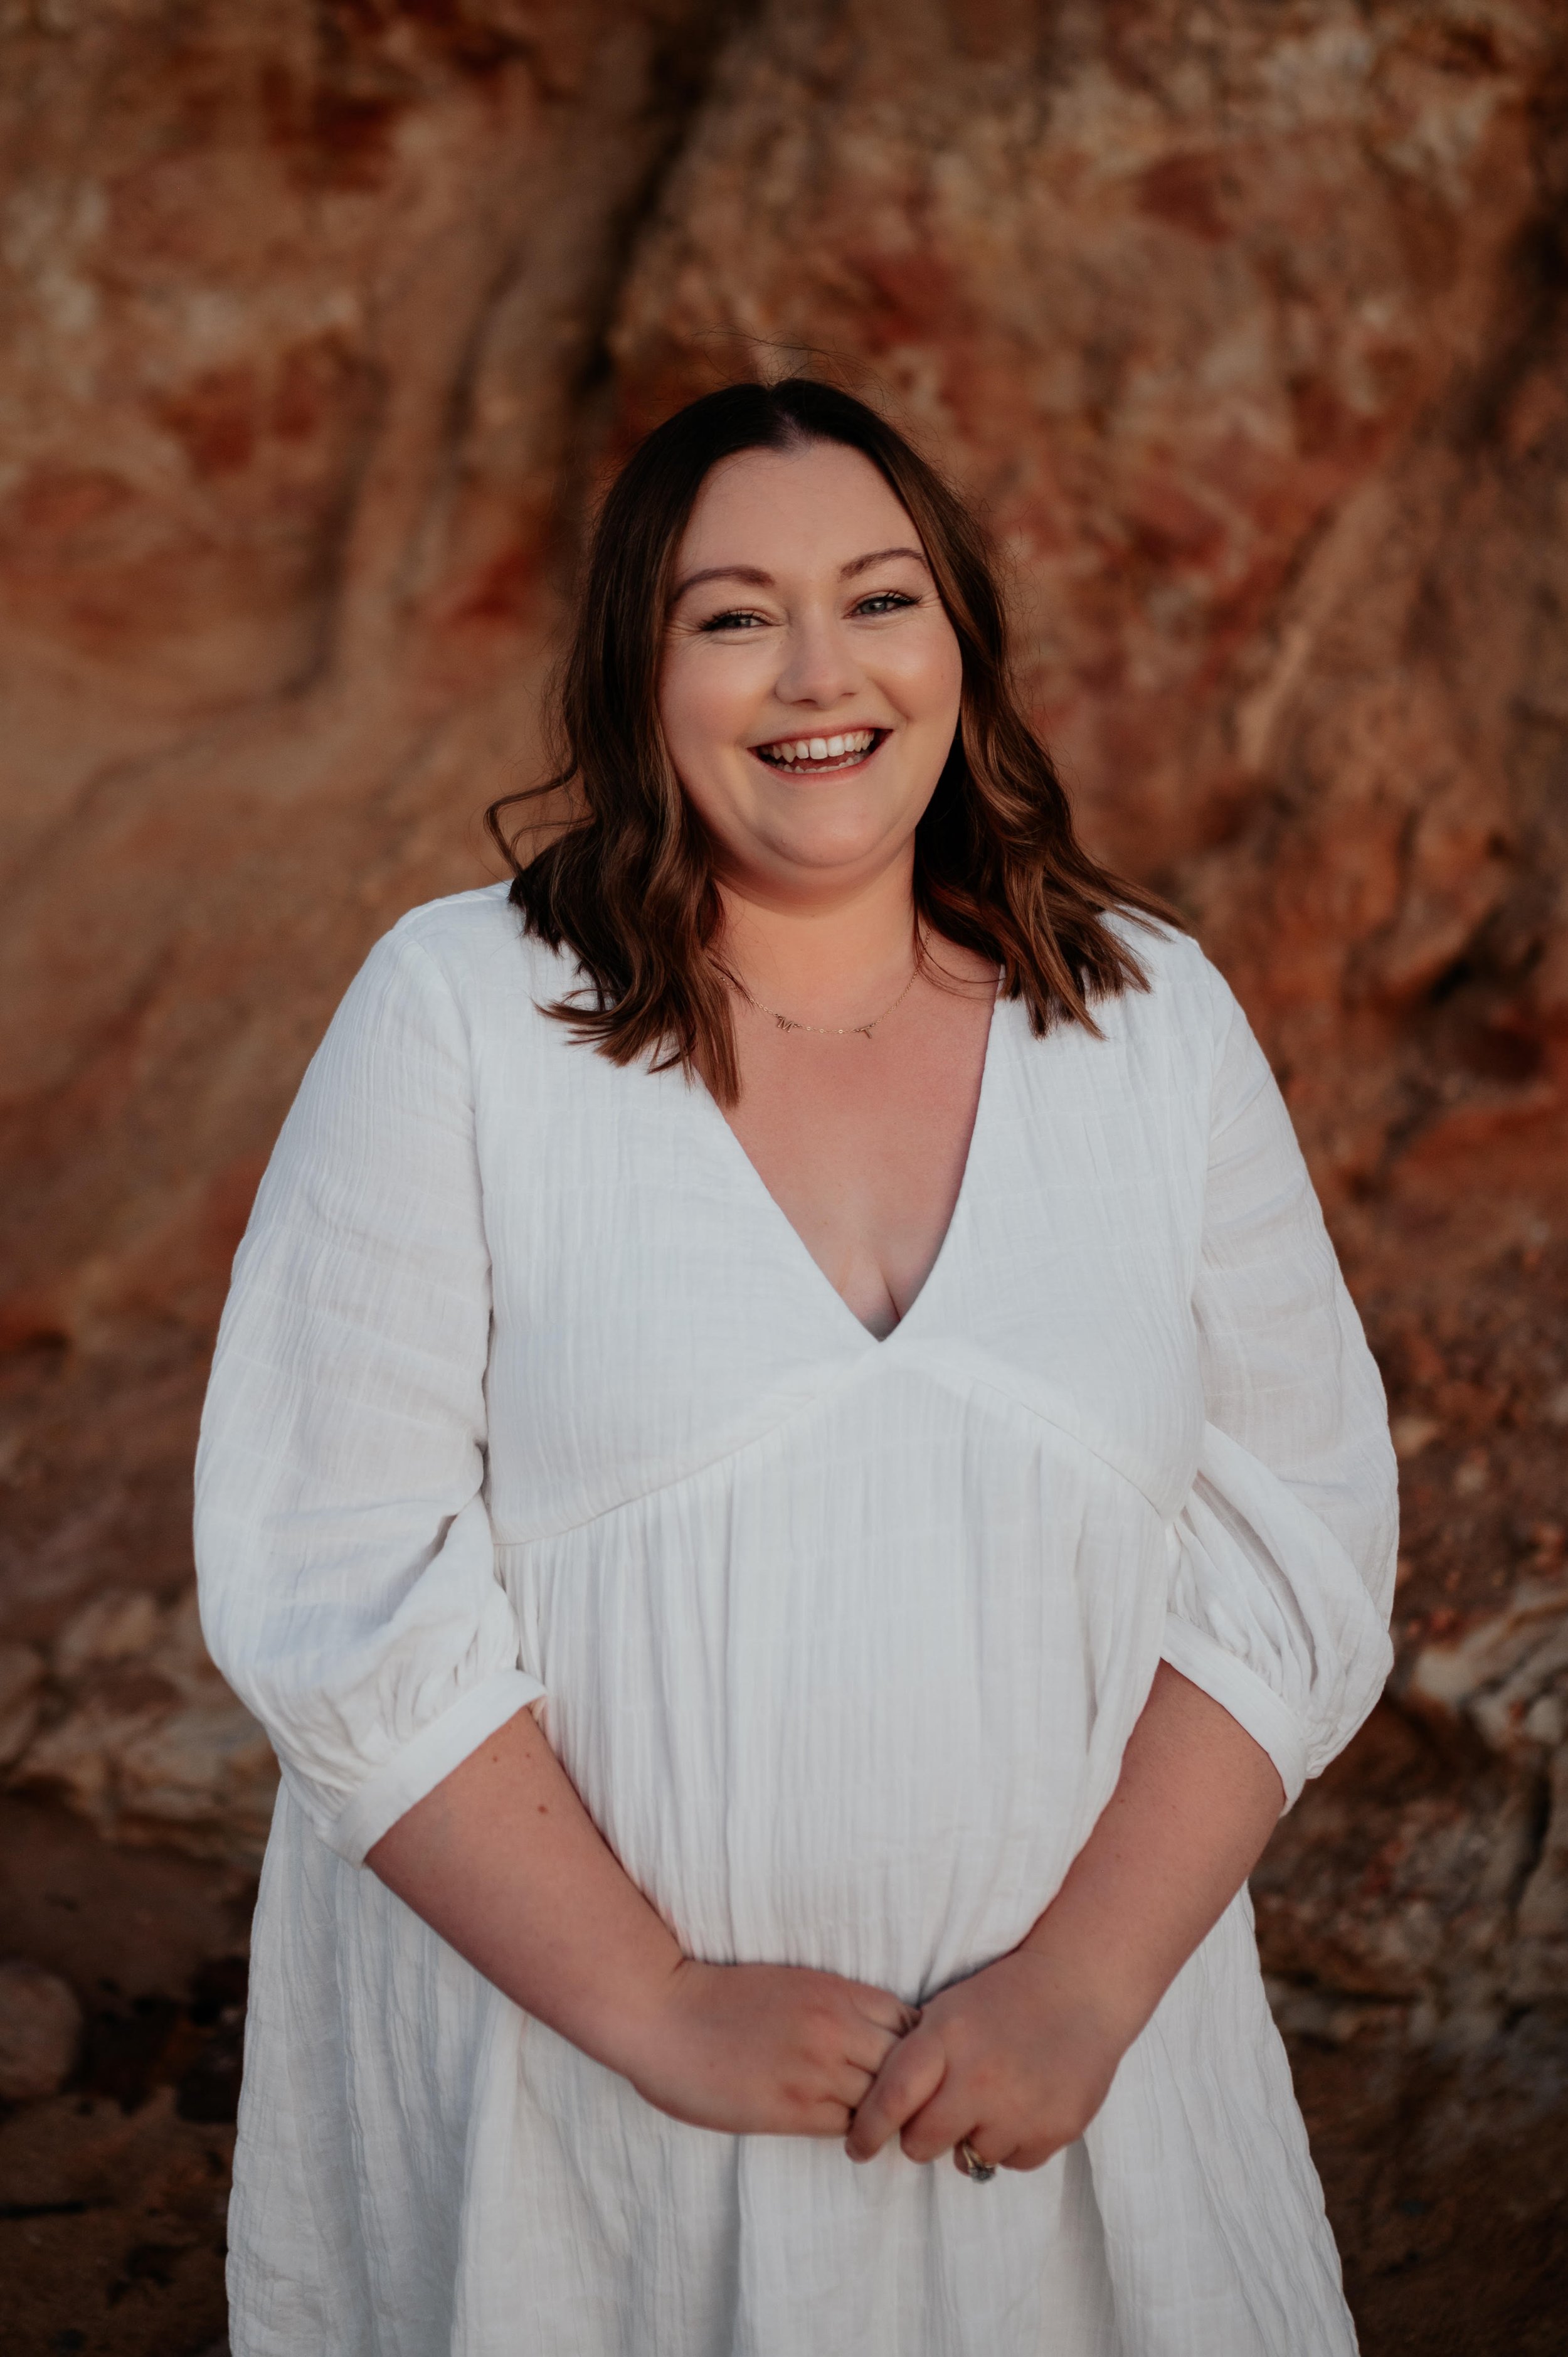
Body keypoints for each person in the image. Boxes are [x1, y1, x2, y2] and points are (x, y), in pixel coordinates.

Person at [194, 375, 1397, 2357]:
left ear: (960, 645)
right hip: (581, 2130)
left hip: (1064, 2109)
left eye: (881, 598)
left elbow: (1293, 1542)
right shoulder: (461, 1016)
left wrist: (1087, 1988)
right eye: (733, 613)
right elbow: (333, 1577)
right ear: (635, 674)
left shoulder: (1151, 1022)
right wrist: (650, 2005)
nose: (817, 672)